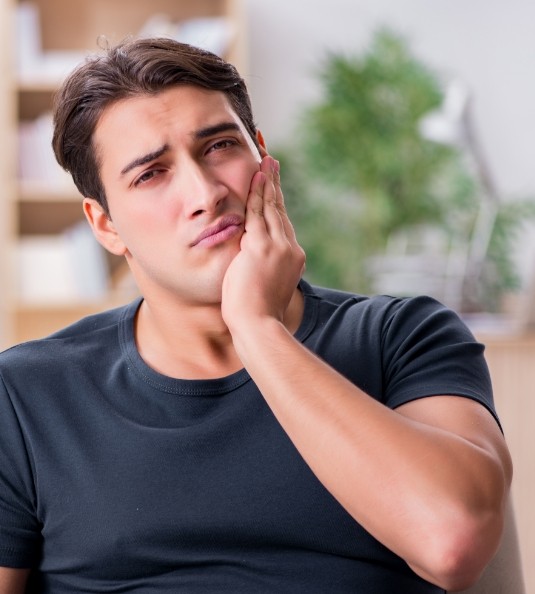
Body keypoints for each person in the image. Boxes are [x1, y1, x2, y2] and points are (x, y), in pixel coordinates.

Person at [0, 37, 512, 594]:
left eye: (219, 146)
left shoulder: (402, 337)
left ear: (263, 157)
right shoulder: (25, 395)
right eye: (151, 173)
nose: (205, 192)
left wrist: (257, 329)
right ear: (105, 225)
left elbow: (454, 541)